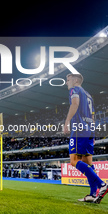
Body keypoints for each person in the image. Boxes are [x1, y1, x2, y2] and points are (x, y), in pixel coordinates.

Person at [63, 73, 107, 204]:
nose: (67, 82)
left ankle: (102, 184)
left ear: (75, 80)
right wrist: (92, 134)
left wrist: (66, 122)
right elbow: (93, 117)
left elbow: (75, 104)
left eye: (68, 79)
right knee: (88, 163)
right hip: (88, 131)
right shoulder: (89, 95)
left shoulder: (75, 89)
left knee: (74, 160)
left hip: (79, 130)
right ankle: (93, 195)